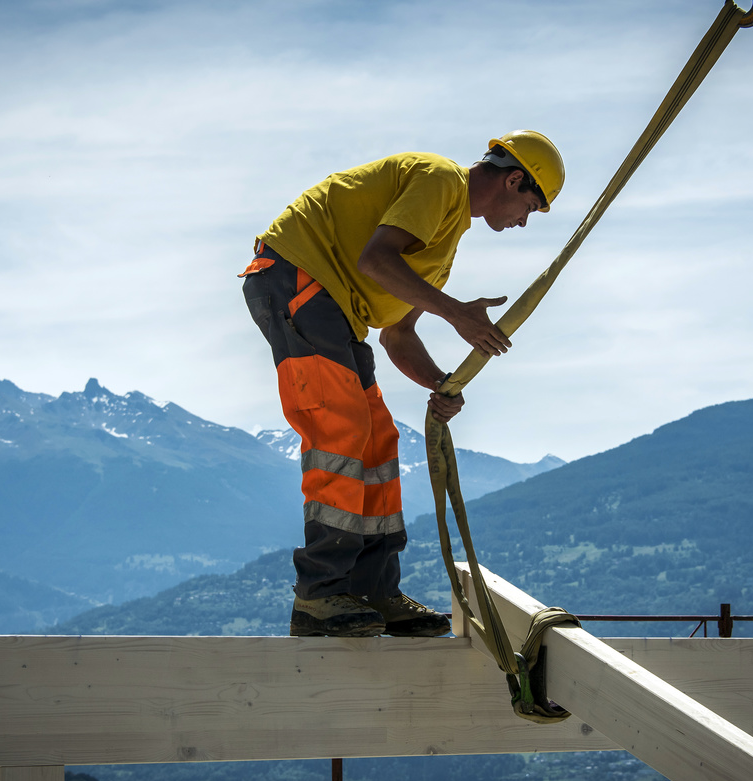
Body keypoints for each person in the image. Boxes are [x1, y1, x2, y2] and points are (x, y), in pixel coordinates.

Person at [240, 130, 565, 638]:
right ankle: (320, 596)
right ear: (515, 179)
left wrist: (443, 383)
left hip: (334, 306)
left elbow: (397, 335)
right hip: (297, 275)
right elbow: (375, 261)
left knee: (377, 439)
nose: (524, 220)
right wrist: (458, 314)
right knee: (341, 431)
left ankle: (372, 591)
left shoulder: (446, 237)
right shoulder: (440, 182)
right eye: (531, 206)